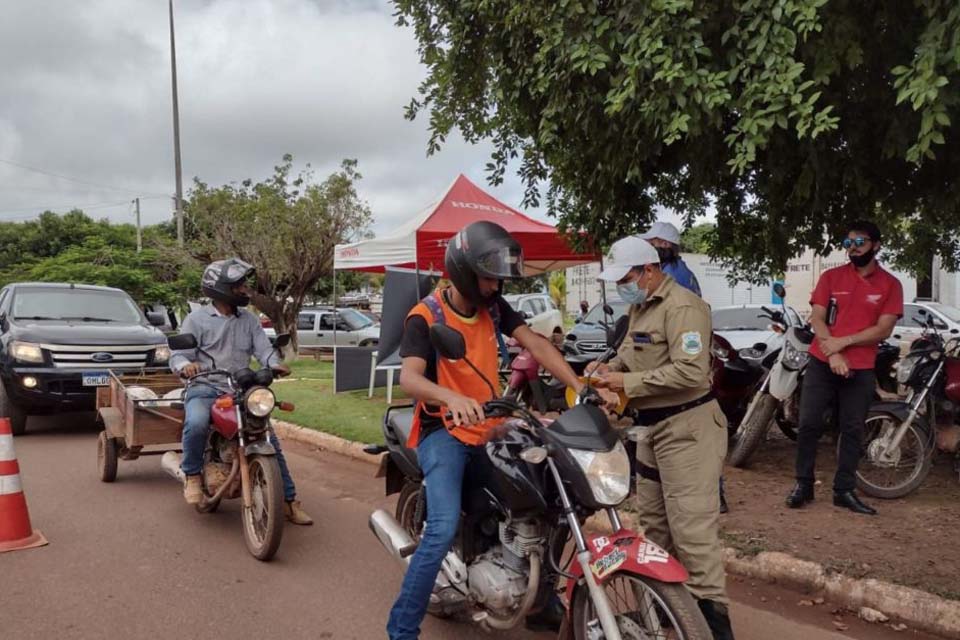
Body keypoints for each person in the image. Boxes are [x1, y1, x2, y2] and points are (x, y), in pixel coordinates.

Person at [386, 221, 613, 640]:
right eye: (489, 277)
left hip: (493, 427)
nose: (495, 285)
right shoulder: (426, 316)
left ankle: (540, 600)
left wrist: (580, 386)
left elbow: (536, 344)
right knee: (439, 528)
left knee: (551, 498)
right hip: (444, 432)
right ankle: (401, 629)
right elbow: (411, 379)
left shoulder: (495, 307)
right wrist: (450, 398)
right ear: (463, 272)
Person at [588, 235, 734, 640]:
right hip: (651, 429)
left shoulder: (684, 307)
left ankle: (715, 629)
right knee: (655, 527)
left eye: (627, 277)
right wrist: (604, 369)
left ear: (650, 271)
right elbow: (633, 355)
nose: (622, 286)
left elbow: (690, 372)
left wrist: (624, 380)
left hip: (687, 429)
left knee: (692, 534)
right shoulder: (641, 307)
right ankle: (667, 608)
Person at [169, 258, 313, 526]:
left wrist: (273, 365)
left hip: (241, 389)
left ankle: (289, 502)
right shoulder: (197, 319)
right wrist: (186, 366)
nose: (245, 290)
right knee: (197, 423)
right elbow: (178, 354)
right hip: (205, 387)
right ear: (221, 287)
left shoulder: (249, 320)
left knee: (268, 438)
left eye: (244, 285)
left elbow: (263, 349)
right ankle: (192, 476)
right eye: (238, 286)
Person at [786, 221, 903, 516]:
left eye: (860, 242)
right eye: (848, 242)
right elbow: (817, 318)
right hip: (823, 363)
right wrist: (833, 352)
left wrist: (844, 343)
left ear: (876, 245)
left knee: (852, 429)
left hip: (861, 368)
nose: (853, 248)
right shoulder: (831, 277)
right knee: (809, 423)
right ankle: (804, 485)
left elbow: (883, 329)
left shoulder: (890, 284)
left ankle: (844, 490)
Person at [642, 221, 702, 296]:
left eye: (652, 244)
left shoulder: (669, 275)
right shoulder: (680, 268)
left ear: (665, 244)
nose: (649, 248)